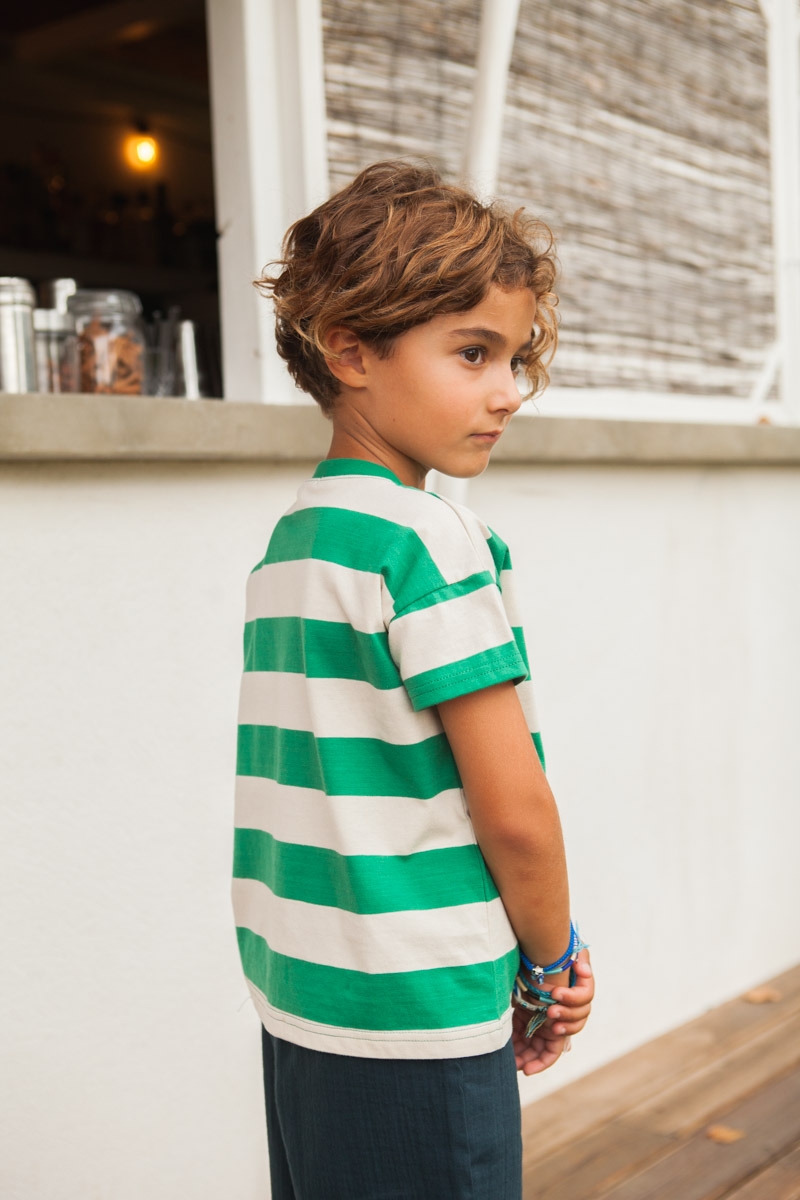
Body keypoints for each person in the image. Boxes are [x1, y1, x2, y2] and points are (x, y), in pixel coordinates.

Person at [233, 160, 594, 1199]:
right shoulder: (427, 542)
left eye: (515, 357)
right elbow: (513, 808)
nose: (507, 391)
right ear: (349, 350)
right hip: (420, 1012)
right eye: (472, 353)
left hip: (303, 997)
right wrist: (550, 963)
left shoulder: (296, 541)